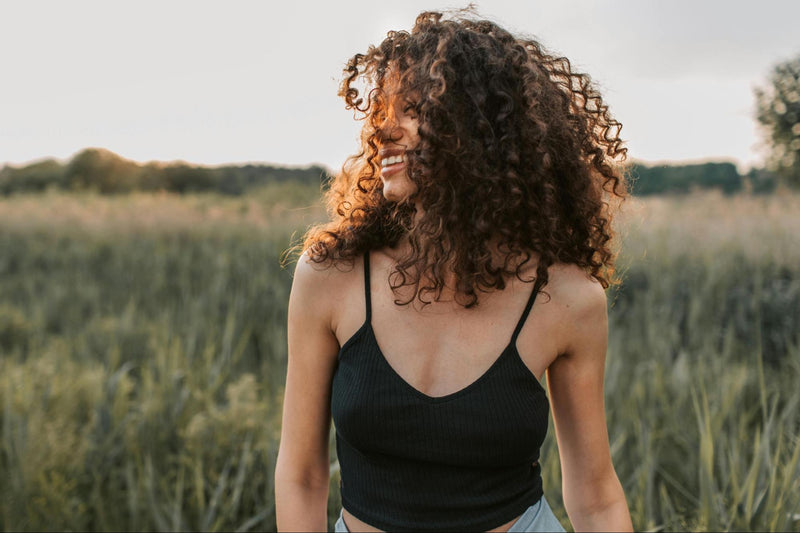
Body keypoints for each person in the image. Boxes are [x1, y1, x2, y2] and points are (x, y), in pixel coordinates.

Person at [275, 9, 633, 532]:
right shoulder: (332, 274)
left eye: (414, 108)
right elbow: (302, 474)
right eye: (382, 111)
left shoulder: (566, 299)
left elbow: (596, 495)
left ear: (481, 130)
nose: (384, 131)